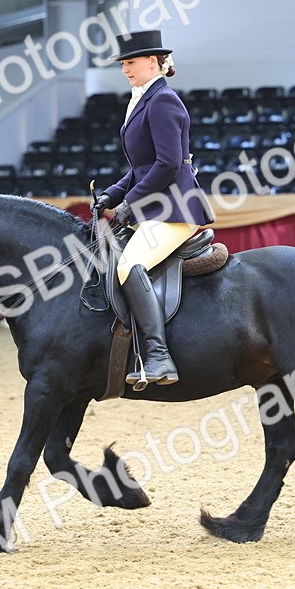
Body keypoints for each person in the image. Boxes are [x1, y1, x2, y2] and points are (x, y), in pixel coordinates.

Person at [93, 30, 215, 387]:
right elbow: (140, 168)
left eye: (130, 62)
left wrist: (132, 202)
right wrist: (113, 196)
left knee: (130, 264)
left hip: (175, 208)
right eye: (123, 64)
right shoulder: (143, 99)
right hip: (156, 205)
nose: (125, 70)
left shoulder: (163, 100)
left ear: (152, 61)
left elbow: (167, 164)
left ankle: (159, 357)